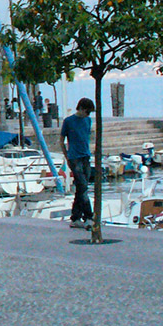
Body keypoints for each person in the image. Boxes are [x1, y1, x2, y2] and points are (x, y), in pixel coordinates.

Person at [61, 98, 95, 230]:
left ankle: (75, 217)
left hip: (85, 156)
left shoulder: (88, 120)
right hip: (74, 157)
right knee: (83, 186)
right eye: (87, 111)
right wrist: (67, 156)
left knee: (82, 188)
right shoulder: (69, 121)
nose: (88, 114)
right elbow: (61, 139)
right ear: (80, 108)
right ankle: (89, 216)